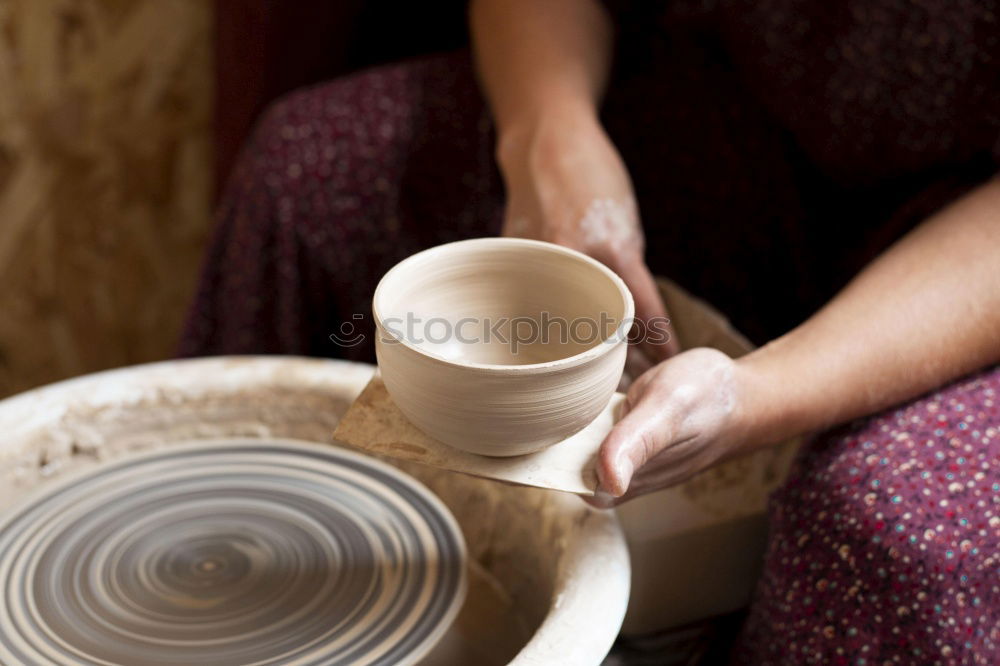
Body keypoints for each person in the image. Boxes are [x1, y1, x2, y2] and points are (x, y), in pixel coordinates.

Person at [181, 0, 1000, 661]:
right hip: (757, 108)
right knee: (305, 173)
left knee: (878, 536)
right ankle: (212, 576)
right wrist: (548, 138)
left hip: (973, 230)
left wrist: (759, 393)